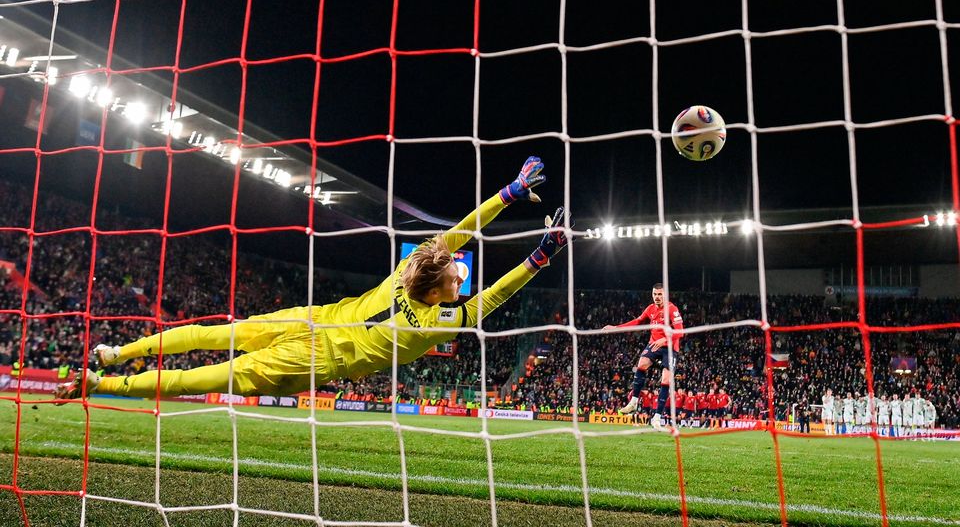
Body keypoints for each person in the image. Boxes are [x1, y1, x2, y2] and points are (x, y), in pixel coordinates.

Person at [55, 157, 569, 402]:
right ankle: (106, 380)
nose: (463, 277)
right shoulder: (439, 325)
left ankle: (113, 355)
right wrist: (541, 255)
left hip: (311, 320)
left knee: (217, 334)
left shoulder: (400, 278)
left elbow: (458, 233)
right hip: (319, 355)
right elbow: (496, 294)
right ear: (439, 292)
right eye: (458, 277)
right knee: (214, 376)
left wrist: (509, 192)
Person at [607, 283, 684, 429]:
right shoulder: (650, 309)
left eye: (660, 294)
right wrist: (616, 327)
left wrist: (665, 339)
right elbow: (637, 321)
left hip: (669, 347)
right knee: (641, 364)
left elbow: (680, 332)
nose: (657, 297)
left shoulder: (672, 309)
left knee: (666, 379)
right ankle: (634, 401)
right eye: (655, 294)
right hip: (654, 344)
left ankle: (656, 417)